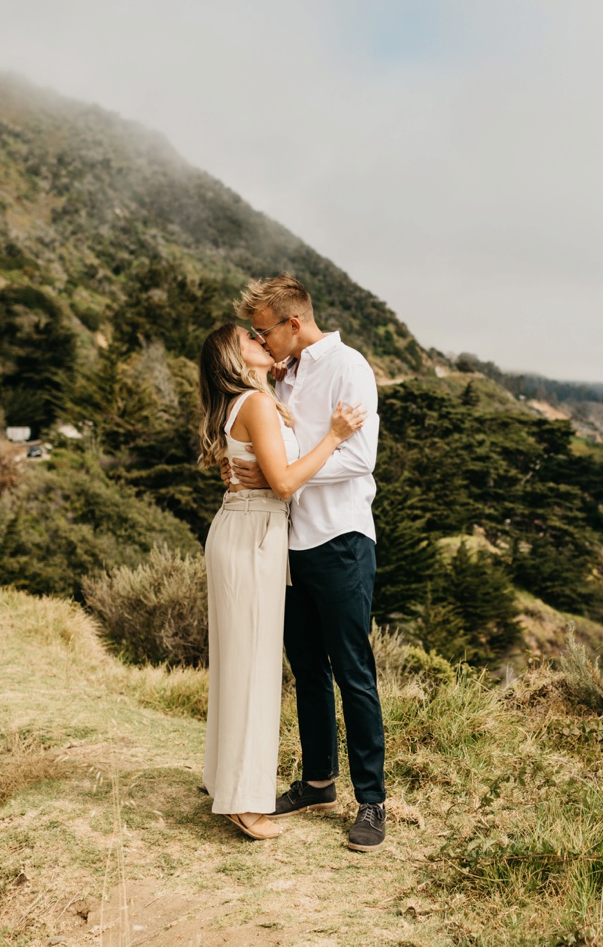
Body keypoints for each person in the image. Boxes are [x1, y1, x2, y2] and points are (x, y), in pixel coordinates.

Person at [226, 274, 387, 852]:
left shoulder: (349, 368)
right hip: (286, 548)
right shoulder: (281, 374)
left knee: (353, 671)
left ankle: (371, 802)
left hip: (341, 539)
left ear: (294, 324)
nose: (260, 340)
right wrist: (265, 474)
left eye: (264, 330)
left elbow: (360, 457)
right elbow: (277, 454)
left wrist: (281, 479)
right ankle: (318, 782)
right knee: (308, 672)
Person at [197, 322, 365, 841]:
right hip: (253, 536)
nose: (262, 342)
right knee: (252, 668)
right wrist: (335, 437)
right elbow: (288, 481)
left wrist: (273, 474)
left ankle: (226, 782)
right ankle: (245, 803)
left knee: (238, 663)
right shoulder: (256, 403)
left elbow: (277, 474)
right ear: (235, 355)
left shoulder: (245, 402)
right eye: (252, 339)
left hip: (245, 529)